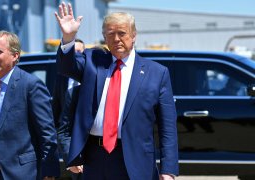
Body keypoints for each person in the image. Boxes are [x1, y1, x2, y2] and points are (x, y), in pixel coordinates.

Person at [55, 2, 178, 180]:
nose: (116, 39)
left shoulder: (157, 73)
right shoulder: (93, 61)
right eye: (110, 34)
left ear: (134, 35)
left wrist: (168, 169)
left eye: (122, 33)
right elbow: (66, 67)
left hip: (136, 160)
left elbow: (167, 127)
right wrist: (68, 38)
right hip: (94, 158)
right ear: (104, 37)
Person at [0, 30, 60, 180]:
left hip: (22, 173)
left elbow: (47, 133)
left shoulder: (30, 85)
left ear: (15, 56)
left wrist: (49, 172)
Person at [53, 38, 85, 180]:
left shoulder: (92, 78)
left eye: (79, 51)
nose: (76, 55)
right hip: (71, 144)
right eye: (73, 51)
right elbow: (57, 108)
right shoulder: (62, 77)